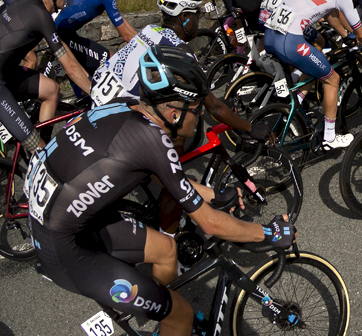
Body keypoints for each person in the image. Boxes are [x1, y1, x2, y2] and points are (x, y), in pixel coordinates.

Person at [29, 45, 295, 336]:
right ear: (173, 112)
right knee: (182, 315)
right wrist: (269, 233)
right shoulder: (153, 140)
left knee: (167, 249)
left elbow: (158, 175)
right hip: (66, 252)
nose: (199, 118)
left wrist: (212, 195)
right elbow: (210, 223)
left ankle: (161, 311)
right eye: (196, 110)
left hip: (62, 221)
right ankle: (171, 318)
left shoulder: (124, 106)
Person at [88, 0, 267, 144]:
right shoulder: (180, 52)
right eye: (196, 14)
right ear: (184, 18)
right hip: (119, 128)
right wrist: (250, 127)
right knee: (180, 121)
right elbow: (214, 106)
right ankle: (174, 169)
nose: (198, 21)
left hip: (98, 105)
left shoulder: (149, 30)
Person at [259, 0, 362, 150]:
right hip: (289, 41)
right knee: (332, 78)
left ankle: (293, 107)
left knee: (316, 65)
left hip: (269, 35)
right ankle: (329, 137)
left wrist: (346, 34)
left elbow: (329, 13)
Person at [0, 0, 91, 150]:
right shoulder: (40, 15)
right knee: (39, 151)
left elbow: (63, 50)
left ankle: (46, 145)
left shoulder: (32, 4)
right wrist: (98, 94)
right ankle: (41, 157)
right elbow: (70, 67)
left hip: (6, 71)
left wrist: (90, 82)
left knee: (52, 89)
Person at [55, 0, 138, 78]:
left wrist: (140, 39)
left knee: (86, 71)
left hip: (59, 30)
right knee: (111, 61)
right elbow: (126, 36)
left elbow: (119, 18)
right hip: (62, 35)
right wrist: (148, 49)